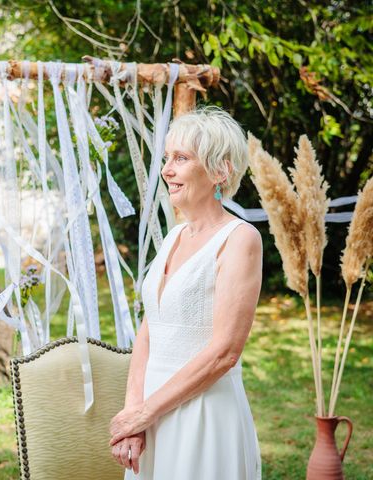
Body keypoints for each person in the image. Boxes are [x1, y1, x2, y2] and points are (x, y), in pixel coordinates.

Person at [109, 107, 262, 479]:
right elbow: (150, 328)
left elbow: (225, 352)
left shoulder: (240, 239)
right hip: (152, 411)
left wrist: (147, 412)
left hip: (204, 415)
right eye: (167, 158)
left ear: (219, 171)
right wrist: (135, 414)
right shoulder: (176, 235)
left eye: (181, 158)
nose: (166, 170)